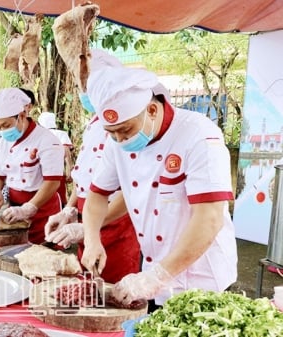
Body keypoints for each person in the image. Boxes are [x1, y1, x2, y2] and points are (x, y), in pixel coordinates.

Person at [80, 66, 237, 310]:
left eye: (126, 130)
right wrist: (91, 239)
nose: (120, 140)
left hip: (202, 280)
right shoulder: (117, 145)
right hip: (153, 273)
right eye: (111, 133)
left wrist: (158, 276)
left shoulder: (199, 134)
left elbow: (210, 218)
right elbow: (97, 196)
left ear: (152, 110)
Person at [44, 49, 141, 284]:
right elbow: (85, 178)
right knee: (87, 291)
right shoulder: (94, 123)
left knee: (116, 296)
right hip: (89, 219)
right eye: (82, 87)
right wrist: (69, 210)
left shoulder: (128, 124)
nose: (83, 93)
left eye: (87, 86)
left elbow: (131, 192)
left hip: (115, 223)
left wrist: (89, 227)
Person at [0, 88, 64, 244]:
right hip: (14, 211)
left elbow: (53, 181)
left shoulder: (47, 140)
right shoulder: (3, 142)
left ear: (22, 115)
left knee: (43, 256)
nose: (2, 131)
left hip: (43, 210)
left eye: (6, 125)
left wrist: (29, 208)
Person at [37, 111, 74, 205]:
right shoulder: (61, 134)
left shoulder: (39, 135)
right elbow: (66, 150)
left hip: (40, 172)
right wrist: (70, 168)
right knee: (60, 196)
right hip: (57, 171)